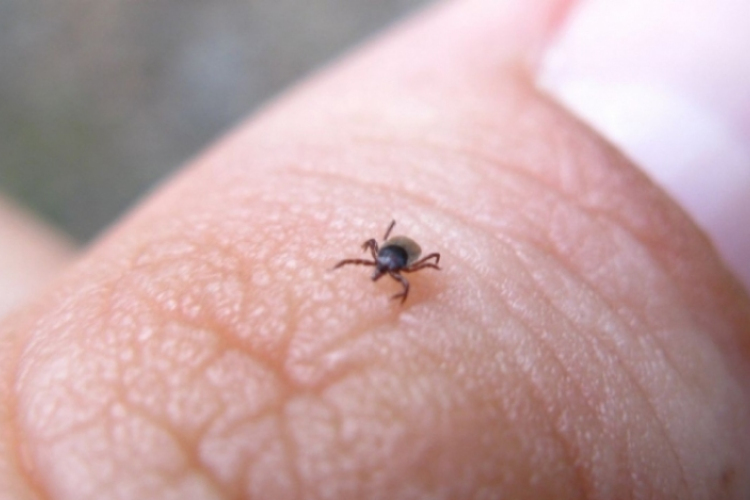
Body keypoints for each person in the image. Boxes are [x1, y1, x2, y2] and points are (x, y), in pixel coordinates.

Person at [1, 0, 748, 498]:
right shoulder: (397, 259)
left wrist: (399, 273)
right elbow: (398, 255)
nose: (385, 271)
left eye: (387, 266)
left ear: (395, 261)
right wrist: (387, 265)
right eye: (385, 266)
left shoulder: (407, 264)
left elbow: (414, 262)